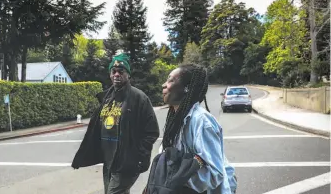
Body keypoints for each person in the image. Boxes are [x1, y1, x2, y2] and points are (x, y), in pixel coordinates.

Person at [72, 53, 160, 194]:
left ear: (128, 75)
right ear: (110, 74)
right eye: (114, 71)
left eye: (121, 71)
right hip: (109, 162)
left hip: (127, 162)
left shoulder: (139, 98)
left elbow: (152, 131)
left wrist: (137, 156)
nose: (117, 74)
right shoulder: (107, 98)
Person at [160, 64, 237, 194]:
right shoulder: (175, 119)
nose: (164, 85)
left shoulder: (201, 121)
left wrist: (175, 181)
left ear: (186, 88)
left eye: (170, 80)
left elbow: (214, 174)